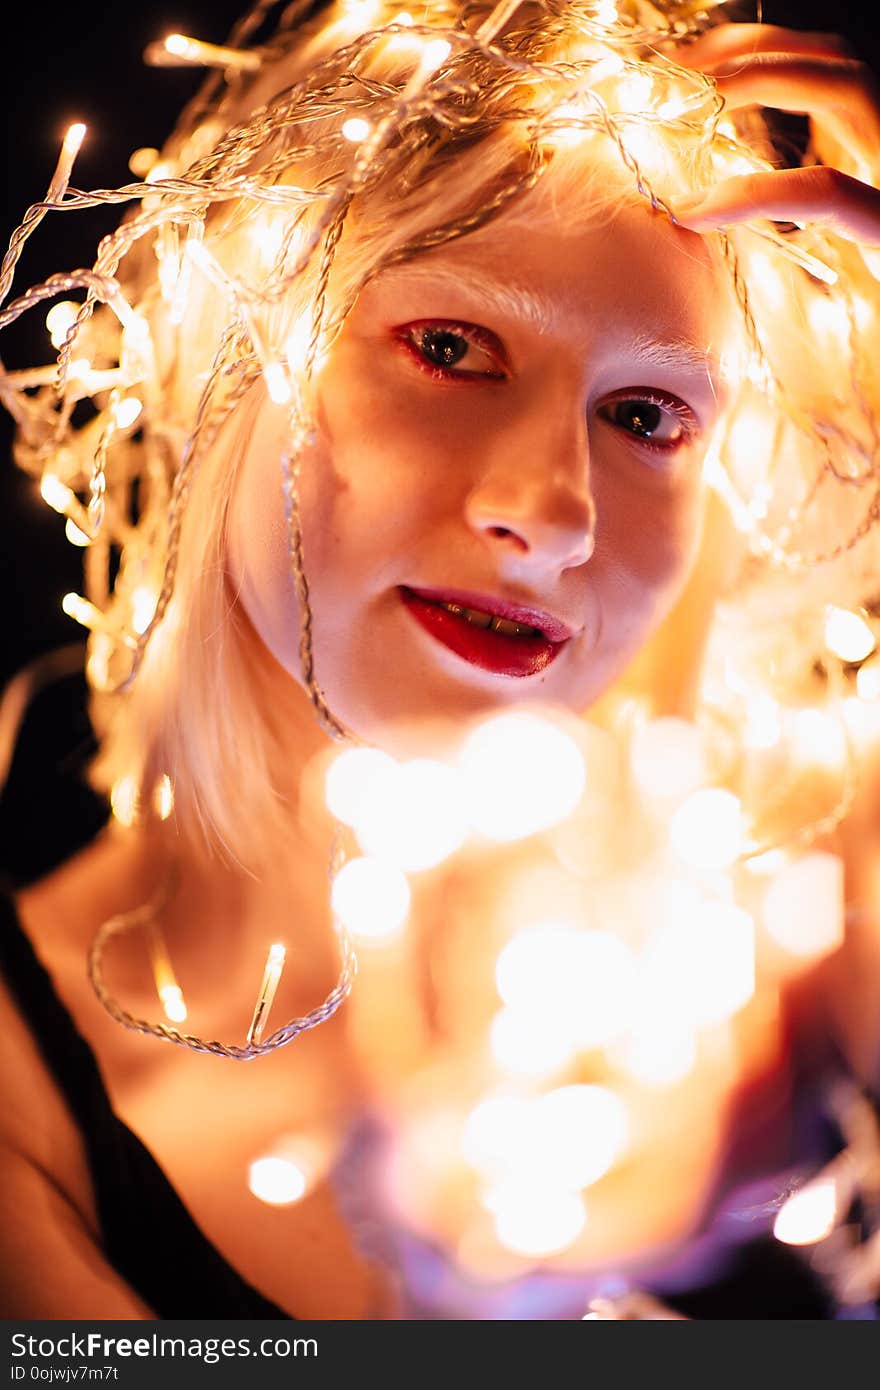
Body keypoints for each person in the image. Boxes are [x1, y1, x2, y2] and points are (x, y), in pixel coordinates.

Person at [0, 0, 879, 1320]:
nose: (554, 508)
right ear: (236, 362)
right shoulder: (23, 1108)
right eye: (454, 347)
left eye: (646, 414)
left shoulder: (822, 937)